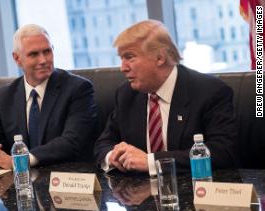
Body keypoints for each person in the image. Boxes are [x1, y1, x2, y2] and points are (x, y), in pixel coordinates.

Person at [94, 20, 237, 176]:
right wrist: (114, 157)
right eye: (121, 58)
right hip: (139, 195)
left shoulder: (209, 91)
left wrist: (151, 162)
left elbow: (222, 151)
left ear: (159, 58)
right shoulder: (126, 94)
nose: (123, 67)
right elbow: (104, 144)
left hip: (196, 191)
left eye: (130, 57)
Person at [0, 24, 98, 169]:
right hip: (20, 183)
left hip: (67, 179)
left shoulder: (78, 88)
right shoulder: (5, 95)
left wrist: (20, 161)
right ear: (17, 58)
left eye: (47, 51)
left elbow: (72, 142)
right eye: (34, 54)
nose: (43, 60)